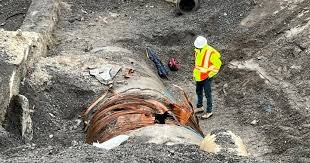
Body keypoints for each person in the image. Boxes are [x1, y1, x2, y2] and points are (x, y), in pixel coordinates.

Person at [192, 36, 222, 119]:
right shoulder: (197, 50)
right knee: (199, 91)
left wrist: (210, 75)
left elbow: (218, 64)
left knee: (208, 94)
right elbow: (198, 64)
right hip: (199, 76)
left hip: (207, 77)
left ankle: (209, 111)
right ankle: (200, 107)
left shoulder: (210, 52)